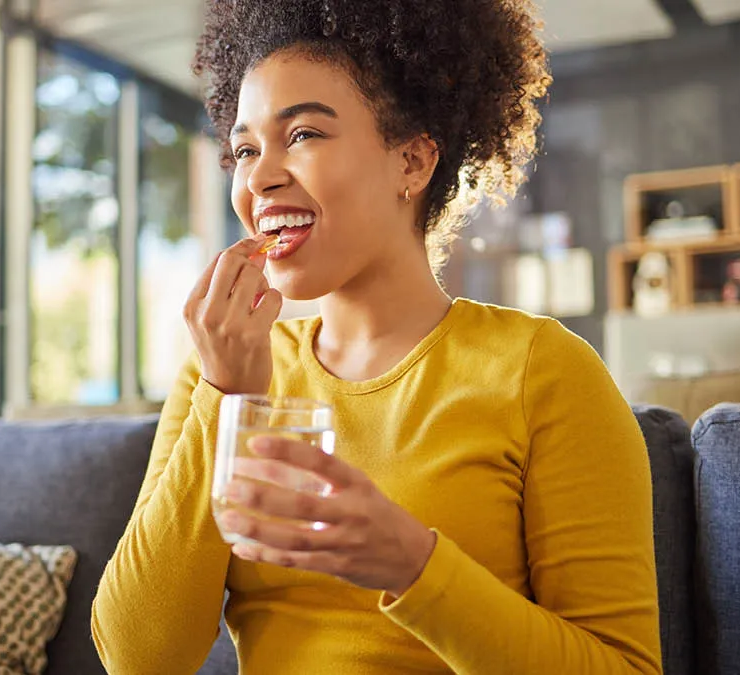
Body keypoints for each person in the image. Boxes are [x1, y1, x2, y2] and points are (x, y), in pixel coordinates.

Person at [92, 0, 662, 673]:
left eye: (302, 133)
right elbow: (139, 657)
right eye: (244, 149)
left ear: (413, 162)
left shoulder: (543, 371)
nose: (259, 176)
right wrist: (225, 397)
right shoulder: (225, 367)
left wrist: (413, 564)